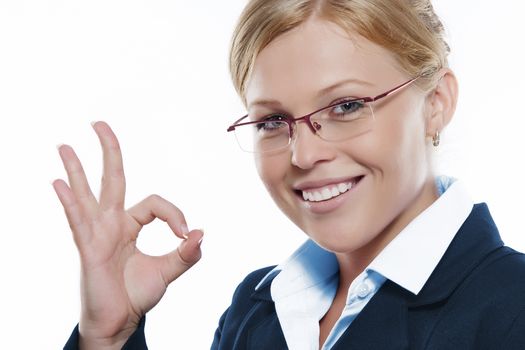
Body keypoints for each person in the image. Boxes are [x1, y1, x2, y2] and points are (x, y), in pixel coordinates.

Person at [56, 0, 525, 349]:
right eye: (272, 122)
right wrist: (108, 337)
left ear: (436, 103)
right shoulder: (255, 311)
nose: (304, 154)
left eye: (346, 106)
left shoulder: (512, 309)